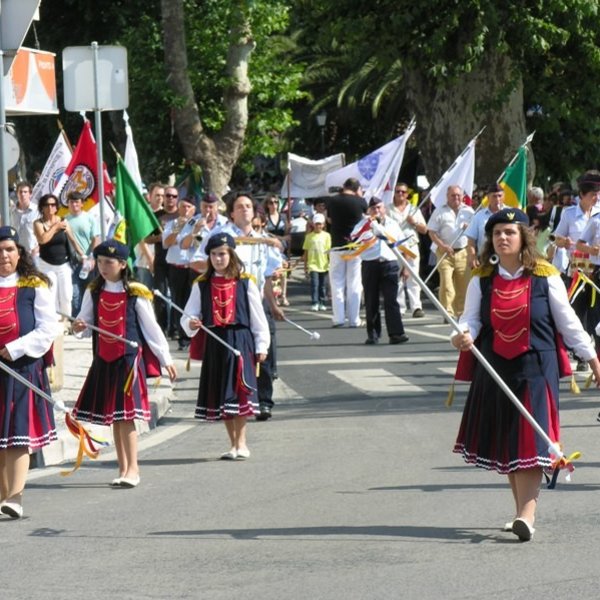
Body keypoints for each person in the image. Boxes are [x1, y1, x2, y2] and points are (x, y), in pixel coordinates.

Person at [451, 208, 600, 541]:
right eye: (497, 233)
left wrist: (592, 359)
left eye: (509, 232)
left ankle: (526, 517)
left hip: (536, 367)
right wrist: (462, 335)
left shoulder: (545, 275)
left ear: (523, 238)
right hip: (495, 367)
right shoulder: (481, 278)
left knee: (531, 439)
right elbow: (470, 319)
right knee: (510, 441)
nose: (503, 238)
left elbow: (569, 323)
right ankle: (521, 512)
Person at [71, 239, 176, 488]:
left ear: (121, 264)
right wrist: (78, 327)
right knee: (115, 418)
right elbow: (84, 325)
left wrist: (166, 358)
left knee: (126, 417)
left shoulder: (135, 293)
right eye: (99, 262)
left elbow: (152, 329)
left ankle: (133, 469)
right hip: (104, 361)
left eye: (109, 262)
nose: (103, 267)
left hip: (128, 361)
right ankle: (122, 468)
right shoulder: (93, 291)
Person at [195, 192, 284, 421]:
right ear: (231, 213)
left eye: (248, 206)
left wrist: (273, 305)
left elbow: (265, 277)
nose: (245, 210)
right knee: (232, 354)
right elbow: (196, 260)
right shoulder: (221, 236)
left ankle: (263, 401)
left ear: (254, 212)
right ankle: (231, 401)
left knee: (265, 352)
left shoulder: (262, 239)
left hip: (255, 299)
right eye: (239, 207)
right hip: (228, 299)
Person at [181, 233, 269, 459]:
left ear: (231, 255)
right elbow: (189, 315)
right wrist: (191, 323)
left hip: (240, 340)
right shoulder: (201, 285)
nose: (218, 259)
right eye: (213, 254)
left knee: (240, 392)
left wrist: (262, 345)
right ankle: (233, 444)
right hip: (215, 342)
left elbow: (258, 318)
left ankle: (242, 443)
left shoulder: (245, 282)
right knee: (223, 394)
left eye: (222, 254)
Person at [0, 226, 59, 519]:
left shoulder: (34, 284)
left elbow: (49, 328)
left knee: (17, 433)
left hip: (22, 368)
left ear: (19, 253)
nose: (4, 256)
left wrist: (16, 348)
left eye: (9, 249)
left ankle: (16, 496)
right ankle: (4, 495)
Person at [351, 197, 408, 345]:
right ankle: (373, 334)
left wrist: (406, 267)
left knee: (391, 300)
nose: (377, 211)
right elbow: (353, 240)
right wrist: (369, 231)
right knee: (371, 300)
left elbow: (402, 244)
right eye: (374, 208)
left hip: (389, 264)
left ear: (384, 209)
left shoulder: (392, 224)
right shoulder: (362, 225)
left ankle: (396, 333)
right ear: (369, 210)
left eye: (379, 208)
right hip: (371, 264)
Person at [33, 193, 84, 318]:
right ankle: (53, 321)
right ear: (42, 208)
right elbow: (42, 240)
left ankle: (66, 321)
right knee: (52, 294)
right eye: (47, 205)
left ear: (57, 207)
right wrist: (55, 227)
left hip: (63, 264)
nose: (50, 208)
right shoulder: (38, 223)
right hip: (46, 264)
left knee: (67, 295)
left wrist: (83, 255)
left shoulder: (63, 221)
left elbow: (72, 240)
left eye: (53, 205)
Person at [325, 178, 367, 327]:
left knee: (337, 283)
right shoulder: (361, 201)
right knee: (354, 283)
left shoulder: (333, 201)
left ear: (344, 187)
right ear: (357, 189)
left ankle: (339, 318)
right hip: (355, 247)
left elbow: (328, 219)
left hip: (337, 246)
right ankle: (354, 319)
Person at [427, 185, 474, 319]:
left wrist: (469, 228)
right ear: (447, 196)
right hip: (444, 252)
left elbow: (475, 233)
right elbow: (431, 232)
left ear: (462, 196)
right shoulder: (440, 212)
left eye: (458, 195)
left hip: (463, 252)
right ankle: (447, 313)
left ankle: (461, 313)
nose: (456, 198)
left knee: (463, 285)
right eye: (453, 195)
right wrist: (442, 245)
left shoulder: (469, 211)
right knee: (447, 284)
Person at [162, 193, 198, 350]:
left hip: (192, 268)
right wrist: (178, 228)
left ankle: (194, 337)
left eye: (189, 207)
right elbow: (166, 243)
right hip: (176, 268)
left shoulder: (197, 224)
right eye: (182, 206)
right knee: (178, 302)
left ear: (194, 209)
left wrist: (193, 231)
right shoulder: (172, 224)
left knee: (194, 303)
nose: (185, 210)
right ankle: (183, 338)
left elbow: (198, 243)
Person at [387, 182, 427, 318]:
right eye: (398, 191)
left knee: (413, 277)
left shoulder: (414, 209)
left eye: (403, 192)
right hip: (395, 247)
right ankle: (400, 307)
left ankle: (416, 307)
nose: (400, 194)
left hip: (411, 245)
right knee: (397, 277)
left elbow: (425, 229)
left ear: (407, 194)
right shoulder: (388, 209)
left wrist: (414, 223)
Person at [64, 191, 101, 315]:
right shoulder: (64, 220)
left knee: (89, 291)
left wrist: (92, 258)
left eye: (77, 202)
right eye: (71, 202)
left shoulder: (89, 218)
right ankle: (76, 319)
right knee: (74, 293)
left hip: (87, 262)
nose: (74, 204)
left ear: (81, 204)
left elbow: (96, 238)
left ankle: (90, 318)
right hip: (71, 262)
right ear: (68, 204)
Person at [465, 182, 505, 269]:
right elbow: (471, 239)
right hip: (484, 259)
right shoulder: (479, 216)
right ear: (488, 197)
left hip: (506, 260)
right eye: (494, 196)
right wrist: (472, 256)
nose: (497, 199)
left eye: (500, 196)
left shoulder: (510, 213)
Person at [263, 193, 291, 305]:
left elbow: (287, 235)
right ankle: (274, 295)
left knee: (283, 271)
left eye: (276, 202)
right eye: (271, 202)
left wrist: (282, 237)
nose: (274, 205)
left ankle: (283, 295)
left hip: (281, 248)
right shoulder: (265, 218)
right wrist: (278, 238)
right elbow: (265, 233)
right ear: (267, 205)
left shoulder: (283, 217)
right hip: (270, 247)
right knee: (272, 273)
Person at [303, 213, 331, 311]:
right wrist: (305, 266)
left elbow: (329, 251)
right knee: (315, 284)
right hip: (313, 264)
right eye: (316, 224)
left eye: (320, 224)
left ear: (323, 225)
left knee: (322, 285)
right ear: (313, 224)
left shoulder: (327, 236)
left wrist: (330, 263)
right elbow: (306, 251)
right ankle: (315, 302)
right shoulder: (309, 236)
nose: (318, 226)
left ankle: (322, 302)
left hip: (323, 265)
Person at [10, 181, 39, 264]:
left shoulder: (37, 211)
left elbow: (43, 230)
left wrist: (37, 248)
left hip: (32, 254)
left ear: (30, 194)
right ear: (17, 194)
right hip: (16, 253)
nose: (23, 194)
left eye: (25, 192)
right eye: (20, 192)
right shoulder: (10, 211)